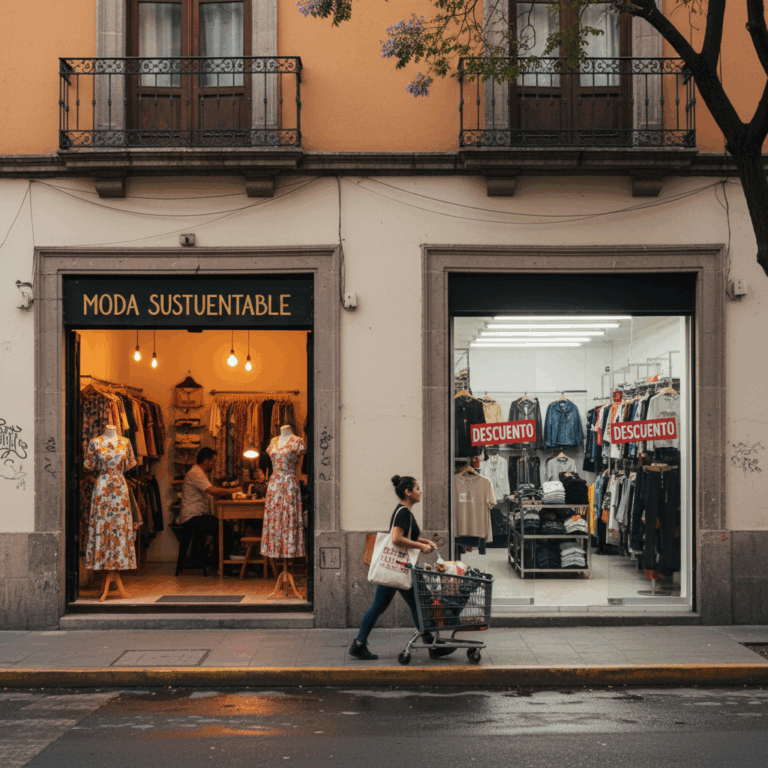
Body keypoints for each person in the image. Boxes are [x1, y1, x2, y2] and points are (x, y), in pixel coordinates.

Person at [349, 475, 456, 660]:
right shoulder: (404, 512)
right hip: (400, 567)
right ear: (408, 492)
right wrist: (421, 547)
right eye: (417, 488)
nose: (420, 491)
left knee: (388, 605)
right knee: (414, 604)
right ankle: (431, 644)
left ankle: (359, 644)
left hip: (397, 567)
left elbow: (405, 536)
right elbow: (396, 538)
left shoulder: (403, 511)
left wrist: (423, 541)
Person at [179, 447, 236, 569]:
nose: (215, 465)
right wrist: (233, 490)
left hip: (195, 515)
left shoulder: (199, 472)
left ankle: (219, 563)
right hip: (192, 517)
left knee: (223, 525)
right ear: (206, 461)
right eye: (213, 461)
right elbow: (211, 490)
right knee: (224, 527)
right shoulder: (196, 473)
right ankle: (221, 565)